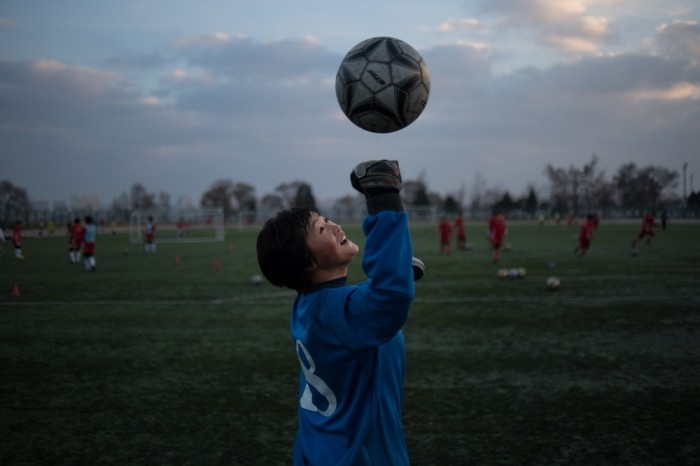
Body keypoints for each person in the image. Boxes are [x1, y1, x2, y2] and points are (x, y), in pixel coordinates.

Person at [256, 160, 418, 466]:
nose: (335, 225)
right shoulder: (338, 311)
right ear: (308, 263)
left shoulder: (306, 306)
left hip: (318, 449)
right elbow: (391, 298)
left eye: (326, 219)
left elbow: (356, 309)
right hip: (360, 457)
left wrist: (398, 270)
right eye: (321, 229)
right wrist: (384, 199)